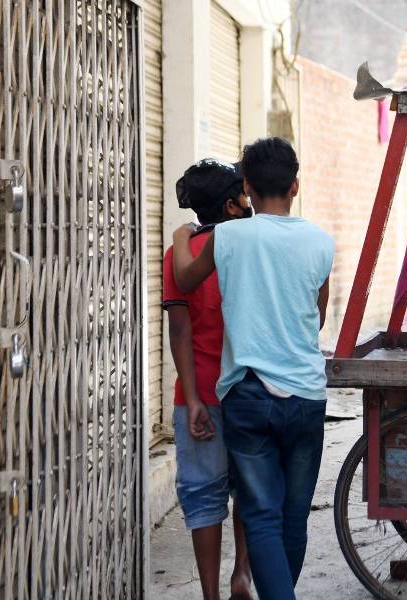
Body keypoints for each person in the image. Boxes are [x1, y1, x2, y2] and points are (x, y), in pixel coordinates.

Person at [171, 138, 334, 599]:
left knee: (261, 516)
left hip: (248, 396)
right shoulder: (321, 243)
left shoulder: (228, 237)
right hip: (306, 397)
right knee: (292, 518)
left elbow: (185, 279)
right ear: (295, 185)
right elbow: (318, 317)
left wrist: (181, 237)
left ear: (246, 186)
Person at [162, 158, 254, 600]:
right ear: (231, 206)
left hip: (197, 393)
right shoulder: (250, 247)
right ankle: (243, 573)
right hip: (249, 391)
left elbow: (178, 331)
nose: (249, 199)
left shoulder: (178, 254)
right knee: (250, 487)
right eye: (243, 194)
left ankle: (210, 595)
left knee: (203, 495)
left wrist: (194, 398)